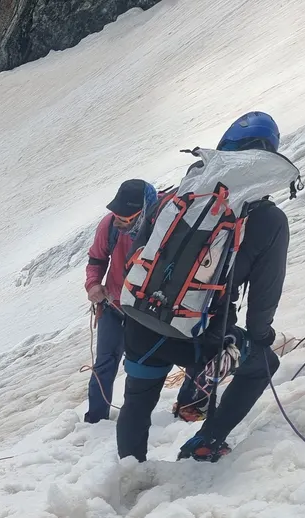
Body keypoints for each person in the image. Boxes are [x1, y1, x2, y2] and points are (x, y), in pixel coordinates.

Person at [116, 112, 291, 463]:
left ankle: (129, 474)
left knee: (137, 399)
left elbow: (139, 256)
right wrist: (259, 337)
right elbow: (264, 295)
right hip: (200, 335)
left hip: (141, 323)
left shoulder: (175, 198)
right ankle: (207, 440)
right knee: (262, 363)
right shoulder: (268, 219)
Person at [83, 178, 157, 423]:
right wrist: (93, 284)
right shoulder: (110, 227)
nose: (118, 221)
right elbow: (97, 259)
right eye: (116, 215)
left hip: (147, 315)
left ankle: (133, 419)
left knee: (139, 368)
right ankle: (95, 421)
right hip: (113, 308)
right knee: (105, 365)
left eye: (125, 218)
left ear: (143, 212)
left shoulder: (162, 230)